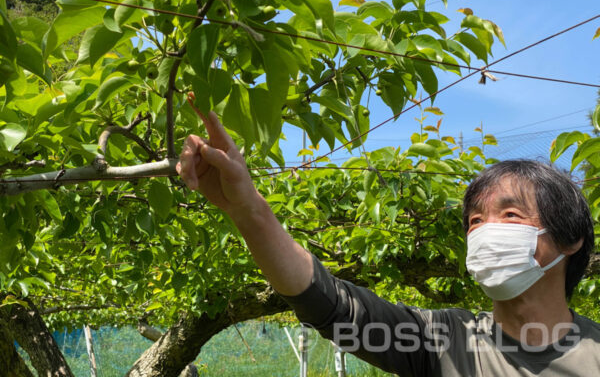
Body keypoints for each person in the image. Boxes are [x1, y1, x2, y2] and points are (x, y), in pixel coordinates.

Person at [177, 110, 600, 376]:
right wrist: (247, 209)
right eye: (475, 221)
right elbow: (333, 306)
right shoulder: (444, 339)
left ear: (570, 240)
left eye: (510, 215)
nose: (486, 232)